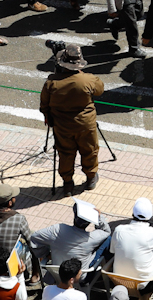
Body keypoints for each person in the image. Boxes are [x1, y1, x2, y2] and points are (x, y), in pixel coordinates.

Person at [41, 45, 106, 195]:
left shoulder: (51, 82)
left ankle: (68, 184)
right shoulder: (88, 79)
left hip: (62, 126)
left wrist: (49, 118)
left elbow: (44, 105)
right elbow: (100, 89)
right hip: (86, 125)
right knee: (89, 150)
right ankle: (90, 178)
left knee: (65, 153)